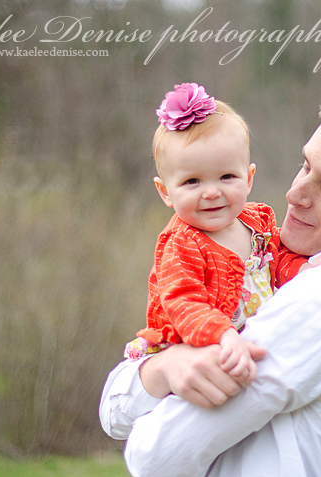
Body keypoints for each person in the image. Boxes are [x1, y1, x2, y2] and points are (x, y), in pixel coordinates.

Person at [100, 86, 321, 477]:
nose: (294, 193)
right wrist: (164, 366)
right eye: (306, 166)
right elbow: (115, 408)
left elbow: (153, 456)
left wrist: (158, 375)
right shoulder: (286, 261)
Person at [123, 82, 309, 384]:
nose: (211, 192)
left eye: (226, 176)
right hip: (199, 352)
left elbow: (278, 260)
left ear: (248, 179)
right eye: (192, 181)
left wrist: (305, 270)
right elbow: (184, 302)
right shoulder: (182, 244)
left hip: (254, 345)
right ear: (165, 191)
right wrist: (222, 334)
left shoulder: (256, 222)